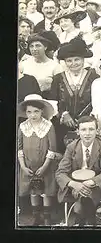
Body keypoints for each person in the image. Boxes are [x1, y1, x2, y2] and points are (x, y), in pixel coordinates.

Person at [55, 115, 101, 226]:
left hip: (95, 184)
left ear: (97, 131)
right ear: (78, 131)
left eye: (91, 129)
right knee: (84, 196)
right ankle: (90, 222)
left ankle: (81, 220)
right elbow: (60, 173)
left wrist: (91, 182)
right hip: (75, 185)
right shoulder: (72, 147)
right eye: (83, 129)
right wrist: (74, 184)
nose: (87, 133)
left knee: (86, 195)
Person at [49, 36, 99, 152]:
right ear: (65, 62)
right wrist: (64, 114)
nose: (73, 63)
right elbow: (53, 100)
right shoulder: (58, 78)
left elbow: (97, 100)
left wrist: (86, 118)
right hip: (64, 126)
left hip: (88, 124)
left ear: (83, 60)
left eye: (77, 59)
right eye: (69, 61)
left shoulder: (94, 77)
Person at [17, 94, 59, 226]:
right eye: (29, 112)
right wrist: (23, 166)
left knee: (45, 192)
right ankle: (36, 216)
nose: (32, 115)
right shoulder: (23, 126)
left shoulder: (48, 126)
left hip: (44, 165)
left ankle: (46, 217)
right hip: (28, 166)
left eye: (36, 111)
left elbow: (52, 149)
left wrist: (45, 166)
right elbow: (20, 148)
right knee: (33, 191)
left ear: (42, 111)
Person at [20, 32, 63, 98]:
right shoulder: (24, 64)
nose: (34, 49)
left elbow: (59, 89)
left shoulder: (55, 66)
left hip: (47, 99)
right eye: (31, 46)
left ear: (45, 47)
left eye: (38, 45)